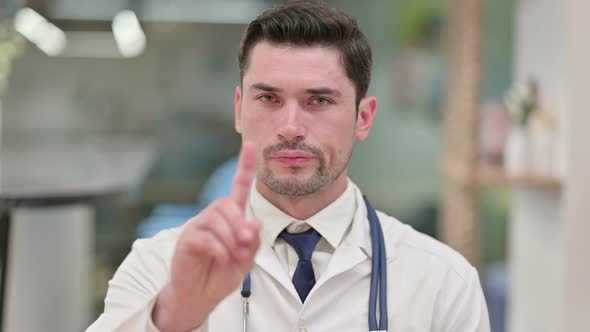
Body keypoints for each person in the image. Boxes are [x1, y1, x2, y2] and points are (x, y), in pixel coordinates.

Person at [87, 1, 490, 331]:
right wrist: (177, 313)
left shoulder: (443, 282)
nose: (291, 128)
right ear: (240, 109)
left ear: (363, 118)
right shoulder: (158, 267)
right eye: (269, 99)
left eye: (319, 101)